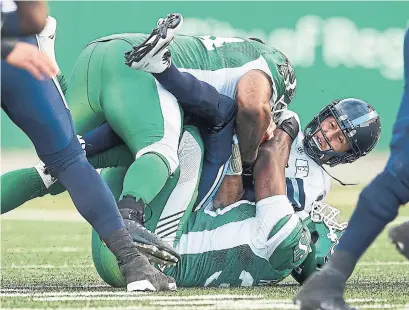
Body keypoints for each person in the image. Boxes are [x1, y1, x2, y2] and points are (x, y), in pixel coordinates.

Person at [1, 4, 175, 291]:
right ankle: (133, 264)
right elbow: (33, 17)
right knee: (70, 161)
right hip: (17, 56)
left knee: (69, 160)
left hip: (16, 50)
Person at [294, 27, 407, 310]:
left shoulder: (317, 184)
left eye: (339, 137)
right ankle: (329, 282)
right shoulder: (286, 126)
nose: (327, 136)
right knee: (402, 172)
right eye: (331, 126)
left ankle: (329, 280)